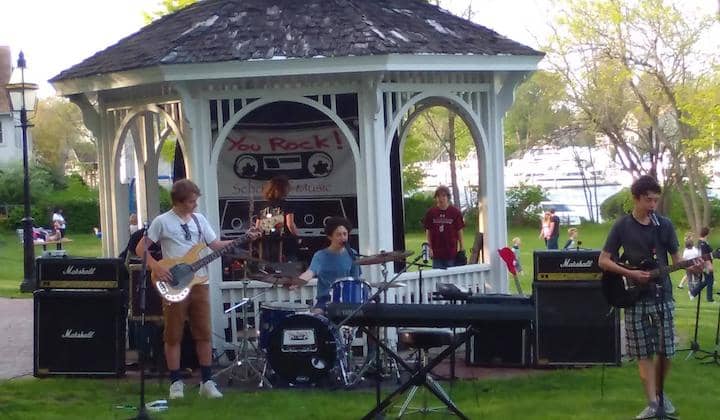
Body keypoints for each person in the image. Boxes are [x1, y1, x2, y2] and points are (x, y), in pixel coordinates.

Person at [135, 179, 260, 400]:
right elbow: (140, 248)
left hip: (199, 282)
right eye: (191, 201)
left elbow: (215, 246)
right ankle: (175, 383)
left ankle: (207, 381)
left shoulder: (199, 220)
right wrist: (156, 267)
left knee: (203, 332)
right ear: (179, 202)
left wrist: (243, 237)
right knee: (173, 334)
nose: (195, 205)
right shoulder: (162, 222)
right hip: (174, 283)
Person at [598, 175, 703, 419]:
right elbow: (603, 260)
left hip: (662, 294)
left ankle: (660, 394)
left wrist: (693, 267)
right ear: (635, 198)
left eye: (656, 200)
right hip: (634, 296)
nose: (653, 205)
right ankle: (653, 403)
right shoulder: (622, 226)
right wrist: (630, 273)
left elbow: (677, 262)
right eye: (648, 200)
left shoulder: (664, 225)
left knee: (666, 350)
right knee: (642, 352)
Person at [297, 217, 360, 314]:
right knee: (316, 315)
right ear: (330, 237)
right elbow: (311, 272)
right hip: (325, 300)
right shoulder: (320, 255)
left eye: (345, 234)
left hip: (347, 300)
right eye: (338, 235)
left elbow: (355, 280)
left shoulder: (352, 254)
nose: (343, 238)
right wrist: (297, 282)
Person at [255, 175, 299, 262]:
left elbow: (258, 227)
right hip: (284, 242)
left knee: (267, 266)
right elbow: (290, 224)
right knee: (287, 265)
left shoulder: (261, 206)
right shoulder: (287, 205)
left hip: (266, 242)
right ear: (284, 189)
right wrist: (298, 237)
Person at [422, 186, 465, 269]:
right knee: (437, 278)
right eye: (438, 196)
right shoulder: (431, 213)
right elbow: (428, 231)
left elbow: (459, 230)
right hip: (436, 252)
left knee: (451, 278)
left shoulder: (455, 212)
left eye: (443, 196)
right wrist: (429, 248)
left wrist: (462, 247)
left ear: (448, 197)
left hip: (451, 252)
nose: (441, 198)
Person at [697, 226, 715, 303]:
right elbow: (704, 256)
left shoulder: (703, 242)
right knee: (710, 281)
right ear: (707, 234)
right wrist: (709, 265)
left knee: (707, 280)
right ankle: (709, 299)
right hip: (705, 264)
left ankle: (693, 292)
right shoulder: (702, 243)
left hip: (705, 264)